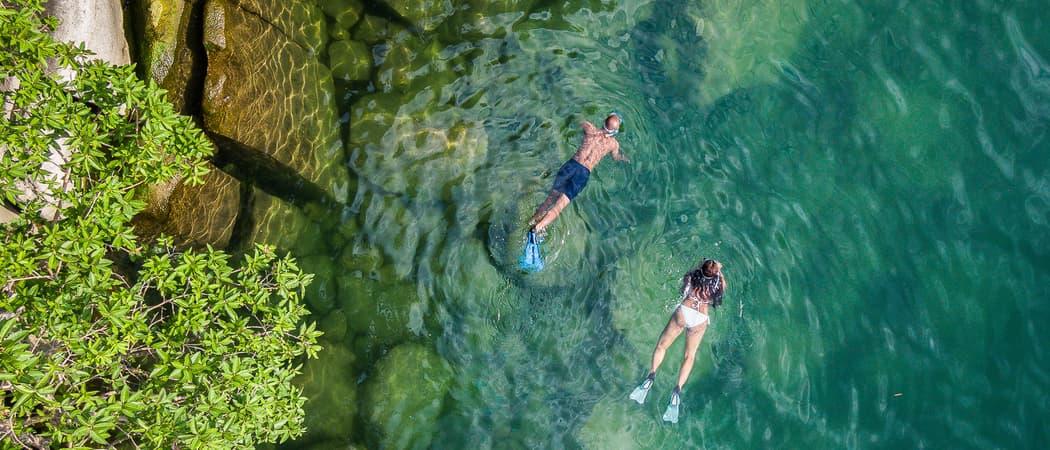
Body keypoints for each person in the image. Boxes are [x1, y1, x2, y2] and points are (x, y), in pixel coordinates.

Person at [629, 258, 727, 423]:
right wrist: (719, 272)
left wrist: (701, 267)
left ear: (701, 269)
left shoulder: (692, 274)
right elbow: (719, 297)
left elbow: (684, 288)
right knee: (689, 356)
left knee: (662, 346)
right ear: (715, 273)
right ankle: (677, 391)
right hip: (700, 317)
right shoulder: (718, 283)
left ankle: (650, 376)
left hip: (685, 310)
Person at [527, 113, 630, 234]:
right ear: (615, 131)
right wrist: (624, 158)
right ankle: (537, 229)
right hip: (583, 174)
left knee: (550, 199)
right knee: (558, 207)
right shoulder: (614, 144)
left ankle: (531, 221)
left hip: (571, 165)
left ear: (604, 122)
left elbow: (576, 118)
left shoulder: (590, 129)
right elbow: (615, 157)